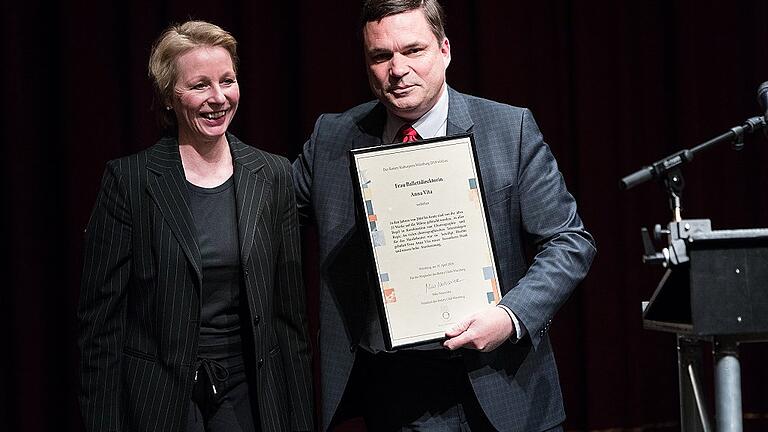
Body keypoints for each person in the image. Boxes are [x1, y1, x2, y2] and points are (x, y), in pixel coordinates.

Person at [292, 1, 596, 431]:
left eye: (413, 50)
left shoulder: (510, 130)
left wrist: (509, 317)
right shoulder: (333, 138)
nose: (397, 69)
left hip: (501, 380)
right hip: (392, 391)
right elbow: (268, 208)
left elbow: (570, 242)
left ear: (445, 50)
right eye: (381, 56)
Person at [77, 20, 313, 432]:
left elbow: (289, 319)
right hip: (160, 397)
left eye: (227, 81)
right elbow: (100, 328)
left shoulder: (273, 175)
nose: (218, 98)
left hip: (249, 390)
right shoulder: (129, 182)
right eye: (200, 85)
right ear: (170, 97)